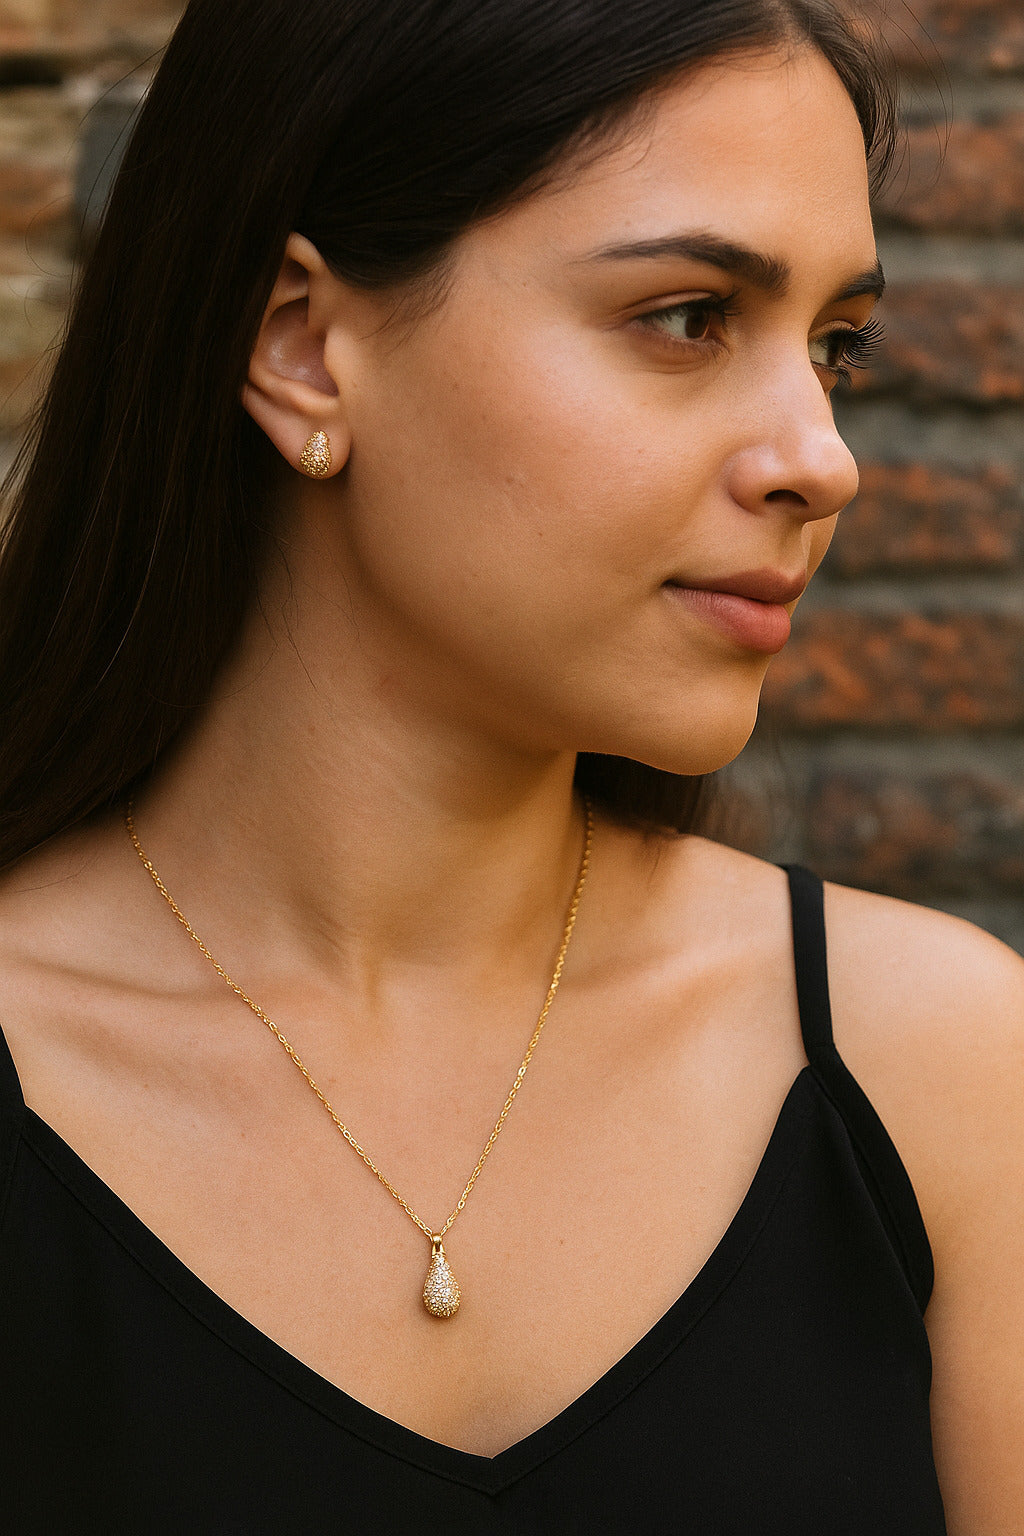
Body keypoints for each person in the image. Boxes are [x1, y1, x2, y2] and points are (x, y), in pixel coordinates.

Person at [0, 0, 1020, 1529]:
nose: (823, 455)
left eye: (837, 347)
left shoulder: (934, 1074)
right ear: (301, 348)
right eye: (686, 317)